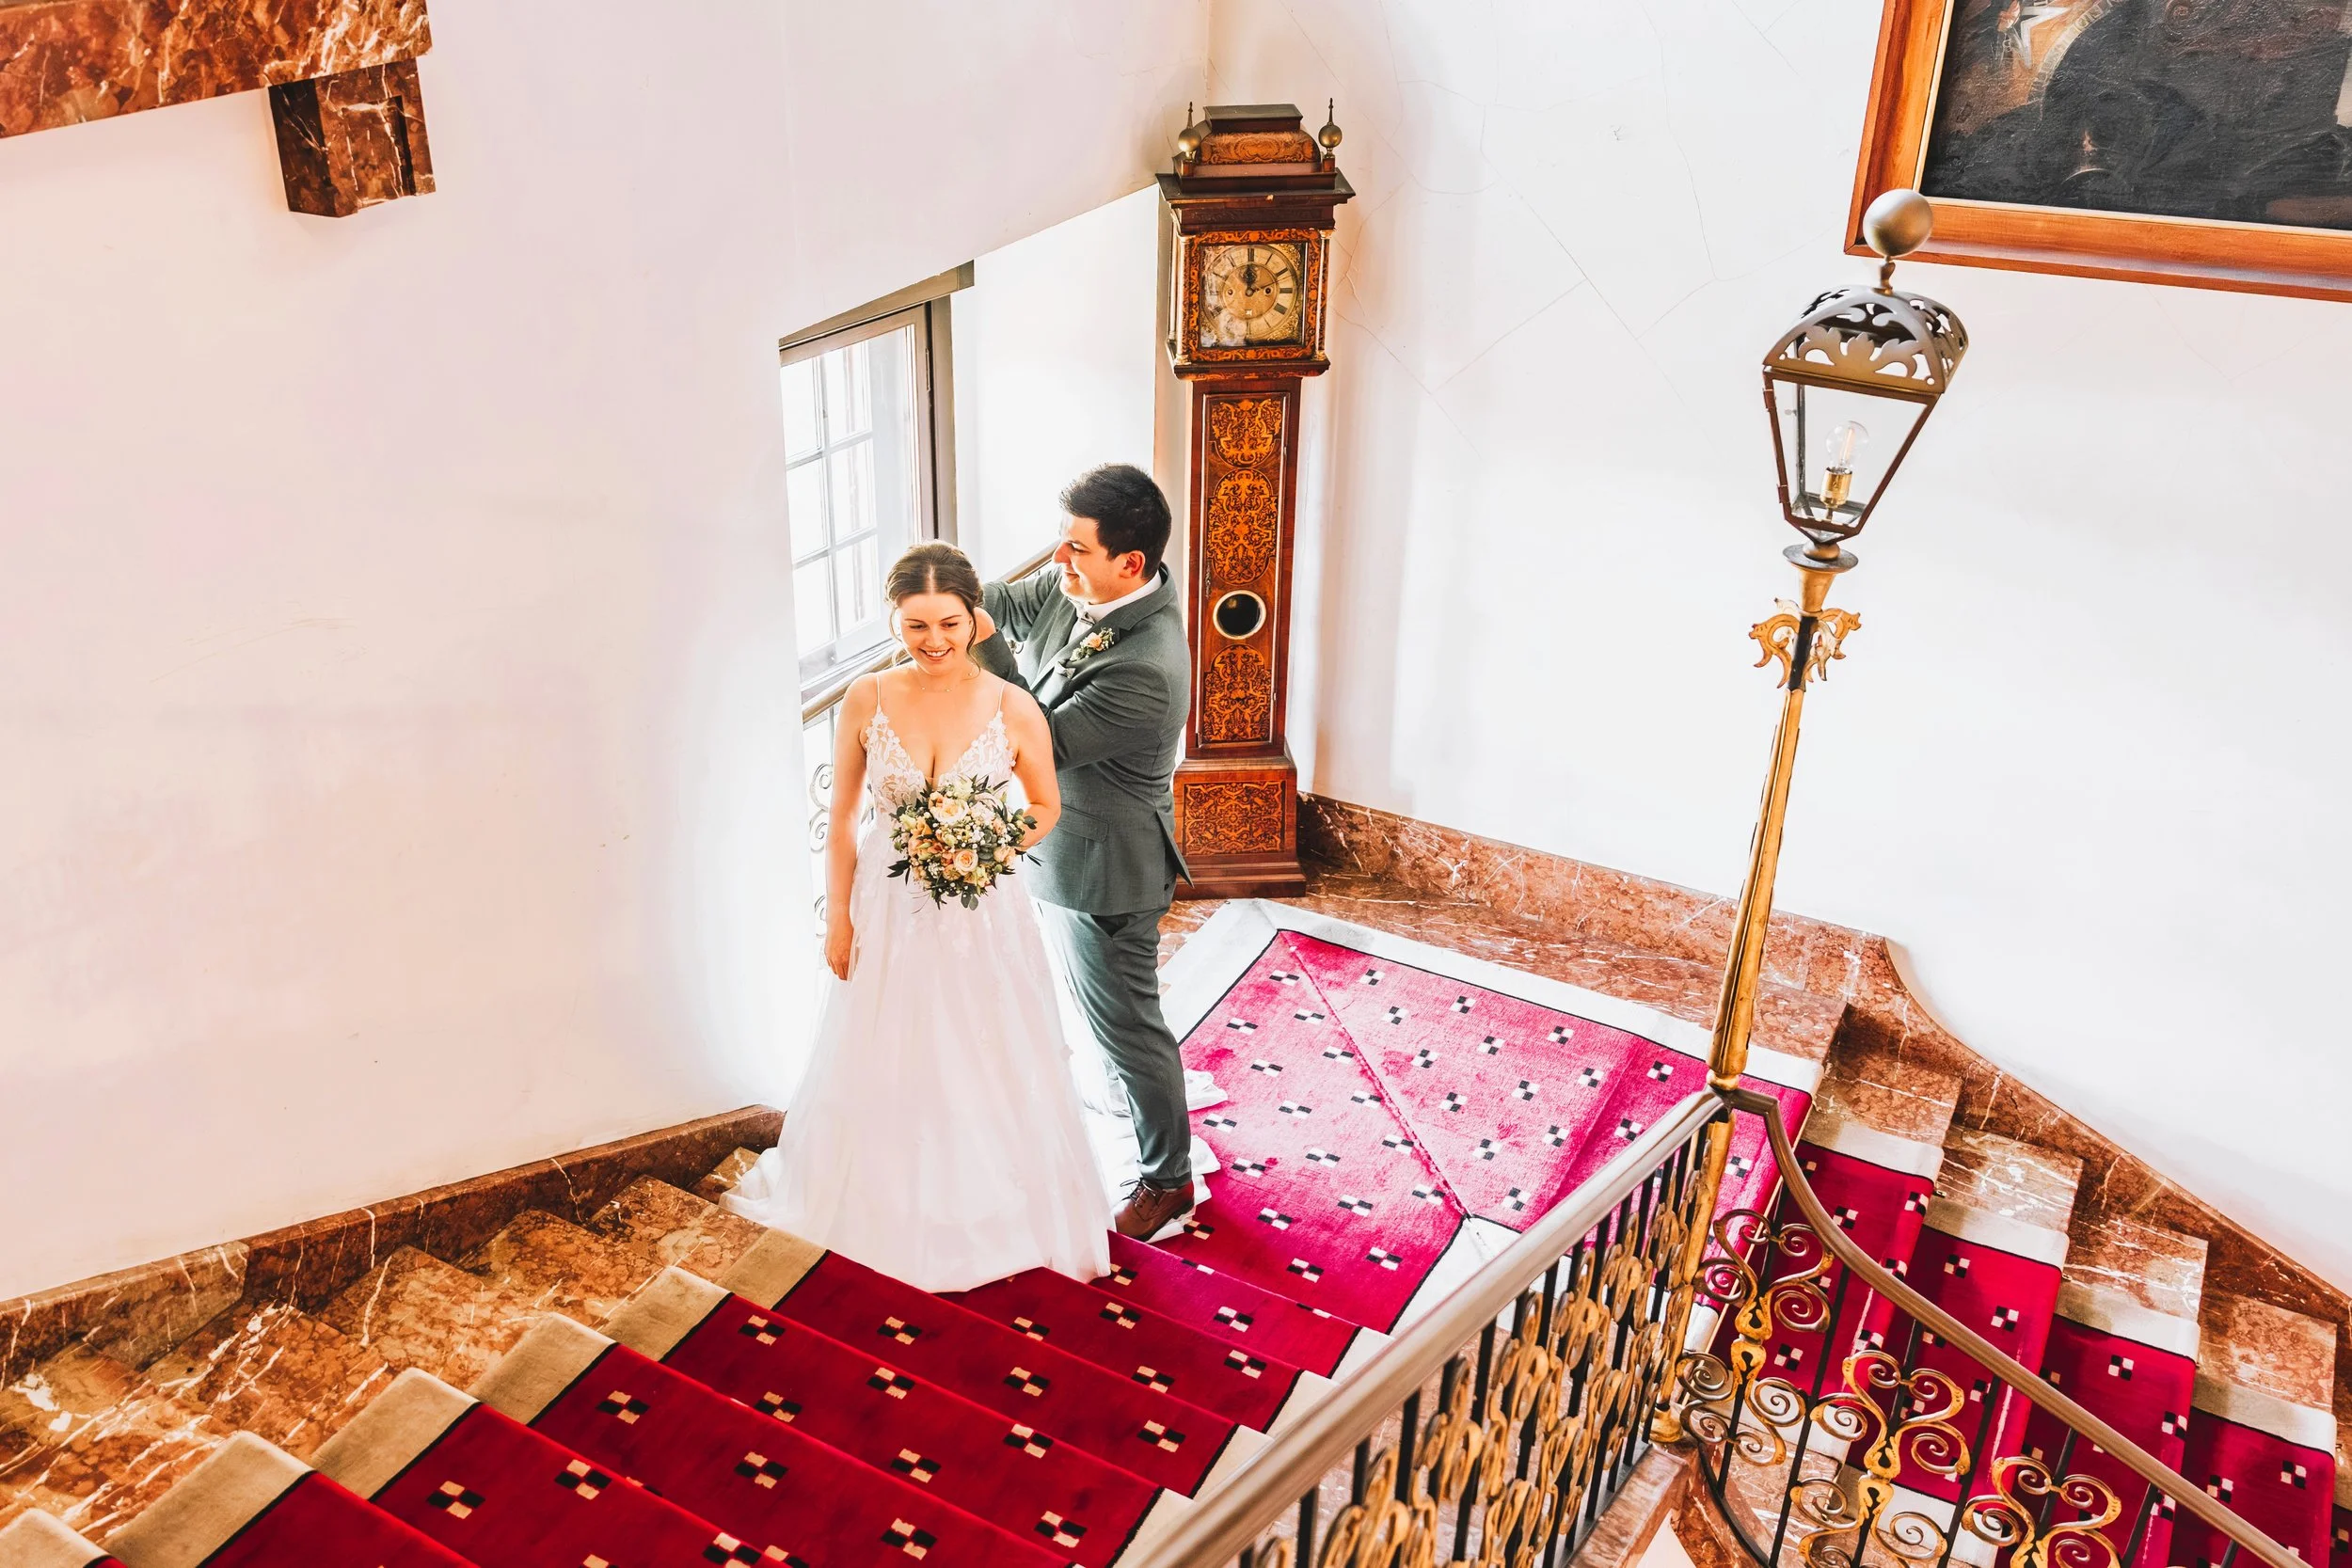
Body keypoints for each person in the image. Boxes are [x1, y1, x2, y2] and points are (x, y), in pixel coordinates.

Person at [723, 543, 1112, 1290]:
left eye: (949, 623)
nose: (934, 641)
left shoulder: (1012, 704)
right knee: (887, 1039)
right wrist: (837, 919)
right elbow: (840, 819)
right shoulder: (867, 698)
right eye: (915, 625)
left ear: (976, 617)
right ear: (893, 618)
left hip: (980, 907)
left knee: (980, 1042)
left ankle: (985, 1204)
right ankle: (881, 1196)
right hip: (887, 902)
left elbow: (1045, 805)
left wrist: (984, 840)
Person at [972, 464, 1196, 1241]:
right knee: (1103, 1020)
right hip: (1065, 852)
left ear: (1130, 564)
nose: (1055, 562)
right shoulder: (1082, 588)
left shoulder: (1148, 669)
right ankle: (1128, 1116)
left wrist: (983, 645)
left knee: (1129, 1027)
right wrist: (946, 604)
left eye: (1073, 550)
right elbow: (995, 604)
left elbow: (1038, 741)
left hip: (1108, 873)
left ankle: (1168, 1181)